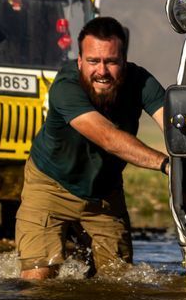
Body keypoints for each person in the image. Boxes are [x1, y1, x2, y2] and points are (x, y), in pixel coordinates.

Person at [17, 15, 170, 281]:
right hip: (49, 186)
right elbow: (108, 138)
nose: (102, 71)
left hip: (104, 194)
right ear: (79, 62)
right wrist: (166, 164)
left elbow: (173, 123)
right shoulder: (65, 87)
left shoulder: (140, 81)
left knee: (117, 283)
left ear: (124, 62)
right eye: (93, 61)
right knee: (39, 280)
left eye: (111, 62)